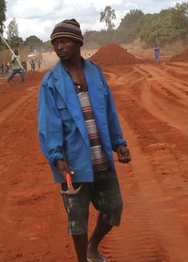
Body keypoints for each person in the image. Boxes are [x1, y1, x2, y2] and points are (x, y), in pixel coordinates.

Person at [38, 18, 132, 262]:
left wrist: (119, 143)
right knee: (77, 219)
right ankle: (83, 259)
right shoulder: (51, 82)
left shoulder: (96, 73)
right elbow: (49, 125)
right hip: (73, 165)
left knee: (113, 208)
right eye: (55, 42)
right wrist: (56, 158)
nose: (59, 47)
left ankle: (93, 246)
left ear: (78, 43)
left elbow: (108, 112)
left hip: (101, 158)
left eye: (64, 41)